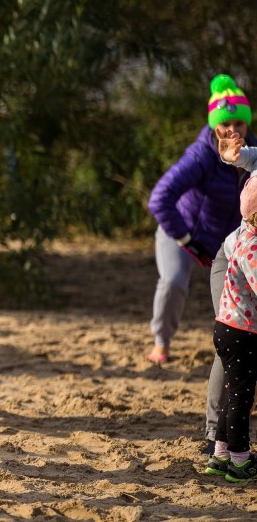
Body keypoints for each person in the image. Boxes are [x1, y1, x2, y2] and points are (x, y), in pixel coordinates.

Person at [145, 74, 253, 364]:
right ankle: (161, 343)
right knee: (173, 281)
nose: (232, 130)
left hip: (226, 241)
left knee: (236, 298)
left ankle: (237, 356)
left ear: (247, 124)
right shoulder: (200, 156)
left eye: (238, 124)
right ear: (214, 126)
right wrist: (187, 241)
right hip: (181, 231)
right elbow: (159, 198)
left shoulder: (252, 154)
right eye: (225, 125)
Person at [205, 112, 257, 458]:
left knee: (239, 374)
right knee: (236, 369)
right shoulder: (250, 241)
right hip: (234, 264)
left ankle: (223, 450)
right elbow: (243, 156)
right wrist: (232, 154)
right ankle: (221, 445)